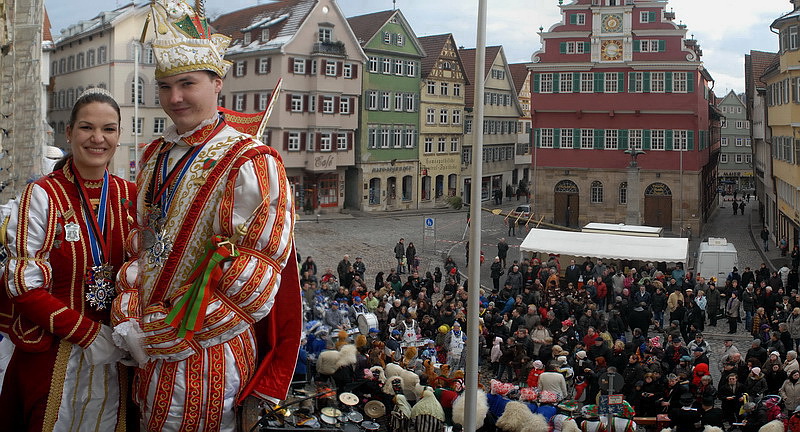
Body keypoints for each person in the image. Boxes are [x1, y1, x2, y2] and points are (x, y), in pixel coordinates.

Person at [111, 2, 300, 430]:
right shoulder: (155, 154)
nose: (174, 98)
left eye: (187, 84)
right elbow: (143, 242)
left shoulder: (249, 160)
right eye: (164, 87)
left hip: (206, 358)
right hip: (148, 354)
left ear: (217, 84)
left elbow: (254, 274)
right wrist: (128, 307)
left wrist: (163, 336)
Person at [0, 89, 136, 430]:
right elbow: (22, 285)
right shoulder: (43, 195)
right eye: (87, 127)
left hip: (117, 357)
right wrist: (87, 334)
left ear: (119, 135)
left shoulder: (131, 197)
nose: (97, 138)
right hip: (52, 355)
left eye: (109, 129)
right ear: (69, 132)